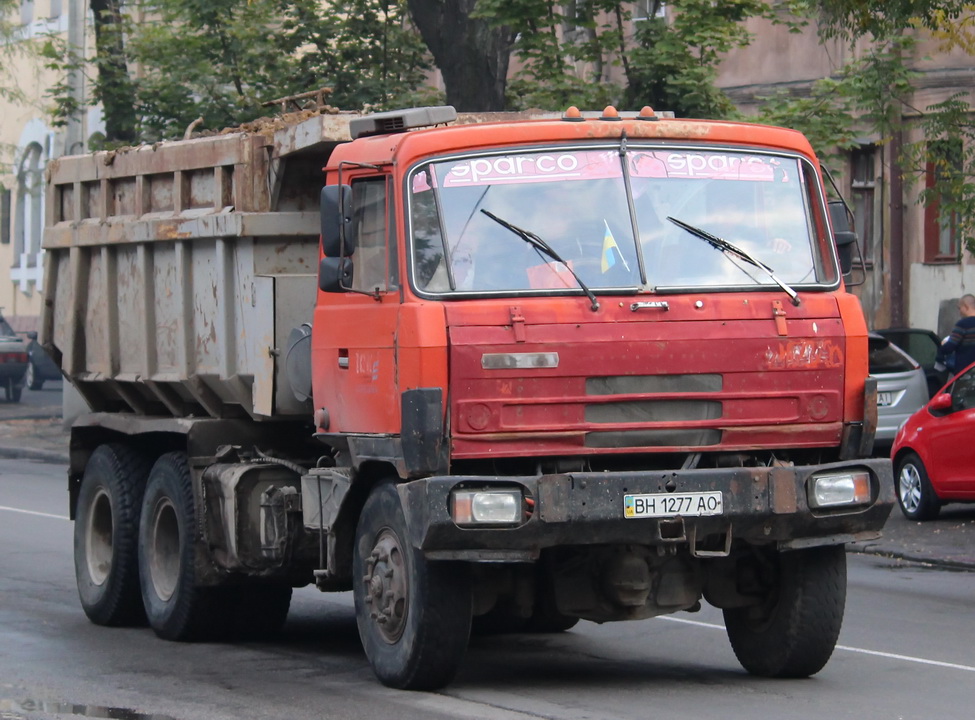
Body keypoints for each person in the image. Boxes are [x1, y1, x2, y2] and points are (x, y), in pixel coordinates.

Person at [936, 294, 975, 374]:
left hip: (965, 372)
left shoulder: (962, 324)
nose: (959, 311)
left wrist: (942, 347)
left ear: (965, 306)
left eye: (959, 308)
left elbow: (950, 346)